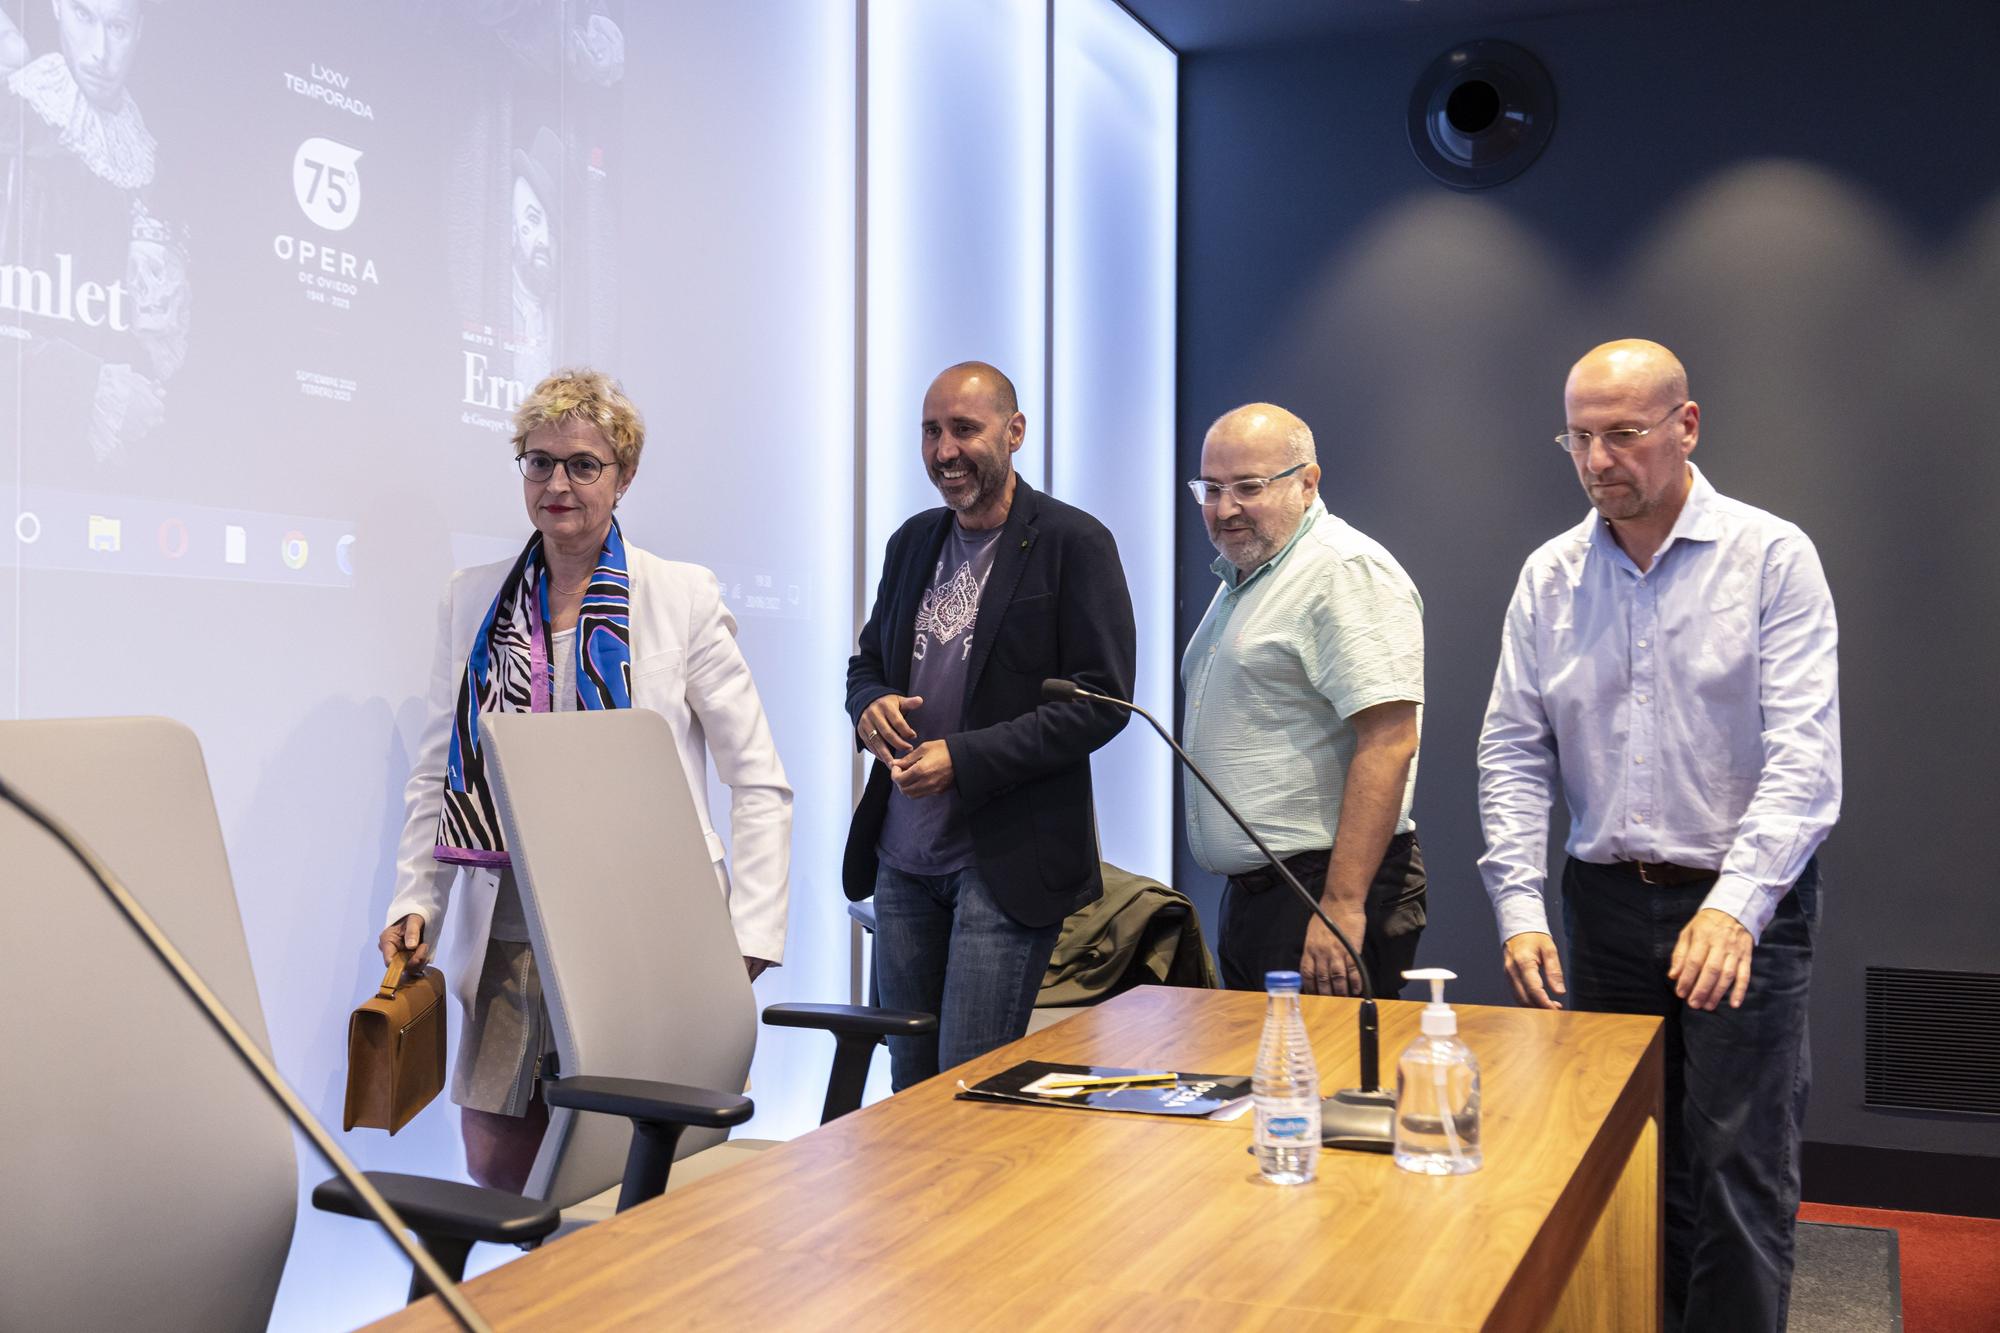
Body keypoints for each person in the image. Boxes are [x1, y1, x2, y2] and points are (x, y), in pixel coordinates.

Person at [1477, 339, 1840, 1332]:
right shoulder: (1549, 576)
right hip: (1600, 905)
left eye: (1623, 435)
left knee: (1734, 1174)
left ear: (1684, 426)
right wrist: (1517, 908)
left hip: (1743, 905)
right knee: (1627, 1166)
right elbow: (1511, 751)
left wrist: (1732, 908)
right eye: (1579, 438)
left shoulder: (1770, 557)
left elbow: (1802, 762)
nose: (1598, 461)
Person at [378, 368, 792, 1192]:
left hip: (645, 917)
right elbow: (437, 771)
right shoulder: (473, 601)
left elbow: (760, 782)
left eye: (582, 464)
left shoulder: (680, 596)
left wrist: (747, 936)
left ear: (624, 475)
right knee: (498, 1157)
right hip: (511, 916)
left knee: (635, 1158)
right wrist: (412, 900)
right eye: (539, 463)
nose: (557, 484)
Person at [844, 360, 1135, 1090]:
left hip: (1003, 861)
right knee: (908, 1087)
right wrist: (869, 703)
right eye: (931, 431)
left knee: (967, 1087)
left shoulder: (1074, 541)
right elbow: (867, 664)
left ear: (1014, 431)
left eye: (964, 430)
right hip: (903, 857)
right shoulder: (912, 541)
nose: (944, 450)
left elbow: (1101, 702)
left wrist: (964, 758)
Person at [1181, 403, 1425, 998]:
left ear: (1308, 482)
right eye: (1211, 488)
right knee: (1262, 1087)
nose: (1225, 507)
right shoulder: (1247, 578)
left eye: (1249, 487)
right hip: (1263, 899)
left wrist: (1340, 904)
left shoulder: (1344, 570)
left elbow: (1390, 742)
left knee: (1322, 1090)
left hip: (1327, 895)